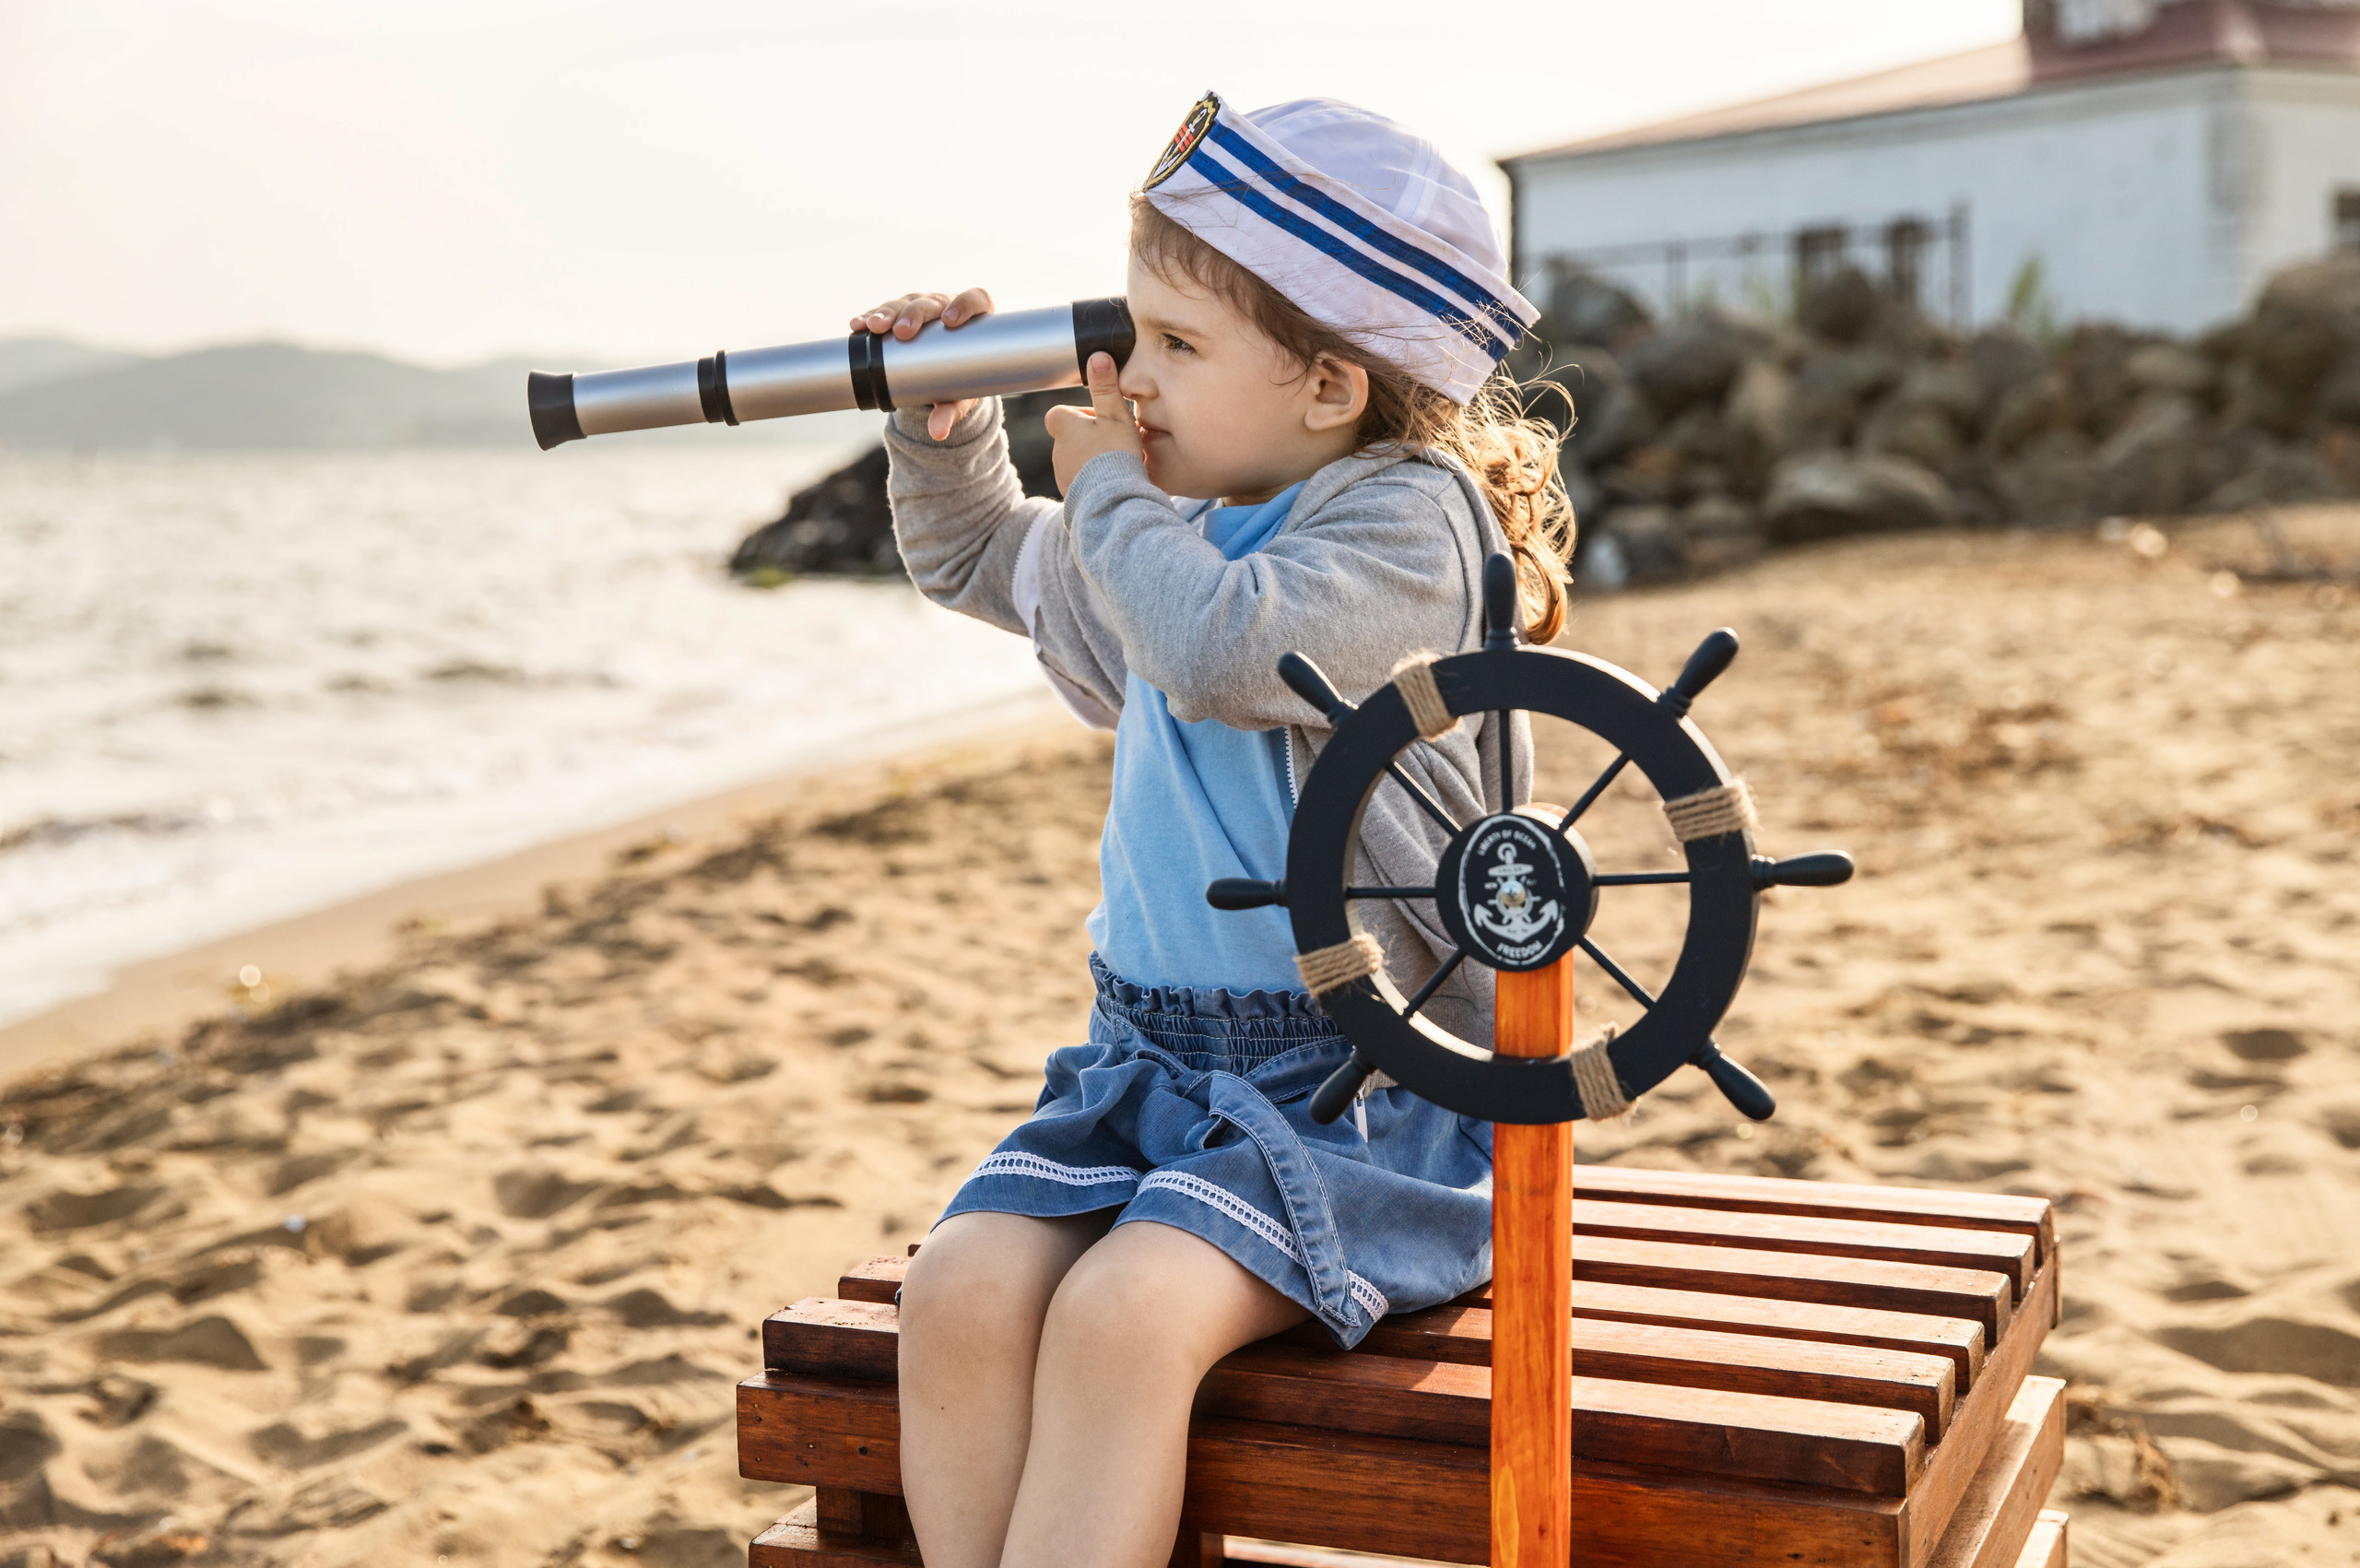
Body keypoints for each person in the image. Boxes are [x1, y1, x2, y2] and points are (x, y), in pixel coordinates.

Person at [861, 91, 1576, 1568]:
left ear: (1330, 384)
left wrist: (1110, 496)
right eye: (1134, 333)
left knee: (1124, 1318)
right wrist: (947, 434)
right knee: (961, 1290)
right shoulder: (1171, 527)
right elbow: (982, 557)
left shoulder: (1406, 530)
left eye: (1178, 347)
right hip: (1145, 1068)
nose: (1131, 380)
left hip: (1362, 1092)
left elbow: (1221, 648)